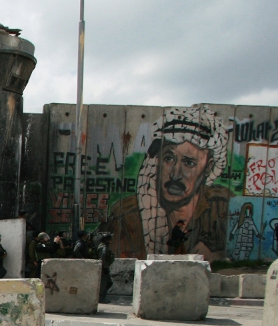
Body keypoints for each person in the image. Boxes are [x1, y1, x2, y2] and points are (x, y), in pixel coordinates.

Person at [101, 105, 229, 259]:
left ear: (208, 167)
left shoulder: (221, 207)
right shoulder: (126, 217)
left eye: (189, 163)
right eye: (169, 159)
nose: (175, 175)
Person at [96, 233, 115, 302]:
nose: (111, 241)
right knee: (103, 284)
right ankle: (100, 298)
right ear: (107, 240)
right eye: (110, 239)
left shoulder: (105, 247)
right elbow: (102, 258)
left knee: (109, 282)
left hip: (105, 267)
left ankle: (103, 297)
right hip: (103, 268)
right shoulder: (103, 247)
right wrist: (104, 267)